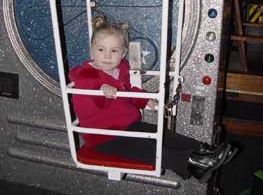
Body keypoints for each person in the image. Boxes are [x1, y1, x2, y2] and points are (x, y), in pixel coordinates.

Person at [69, 16, 237, 183]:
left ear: (123, 53)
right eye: (101, 50)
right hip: (103, 136)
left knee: (158, 134)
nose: (107, 55)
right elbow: (84, 106)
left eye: (114, 51)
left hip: (126, 125)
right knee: (147, 148)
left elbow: (128, 90)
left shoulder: (120, 68)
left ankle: (203, 150)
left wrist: (143, 100)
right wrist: (100, 90)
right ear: (91, 50)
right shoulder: (86, 76)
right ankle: (194, 163)